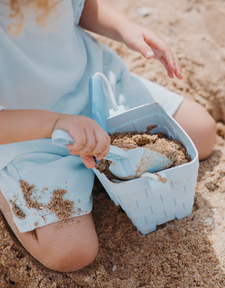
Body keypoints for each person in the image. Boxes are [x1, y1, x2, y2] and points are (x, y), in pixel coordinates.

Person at [0, 0, 216, 272]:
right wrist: (56, 122)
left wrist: (127, 29)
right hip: (28, 133)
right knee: (70, 251)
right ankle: (6, 189)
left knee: (202, 133)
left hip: (94, 85)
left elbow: (82, 6)